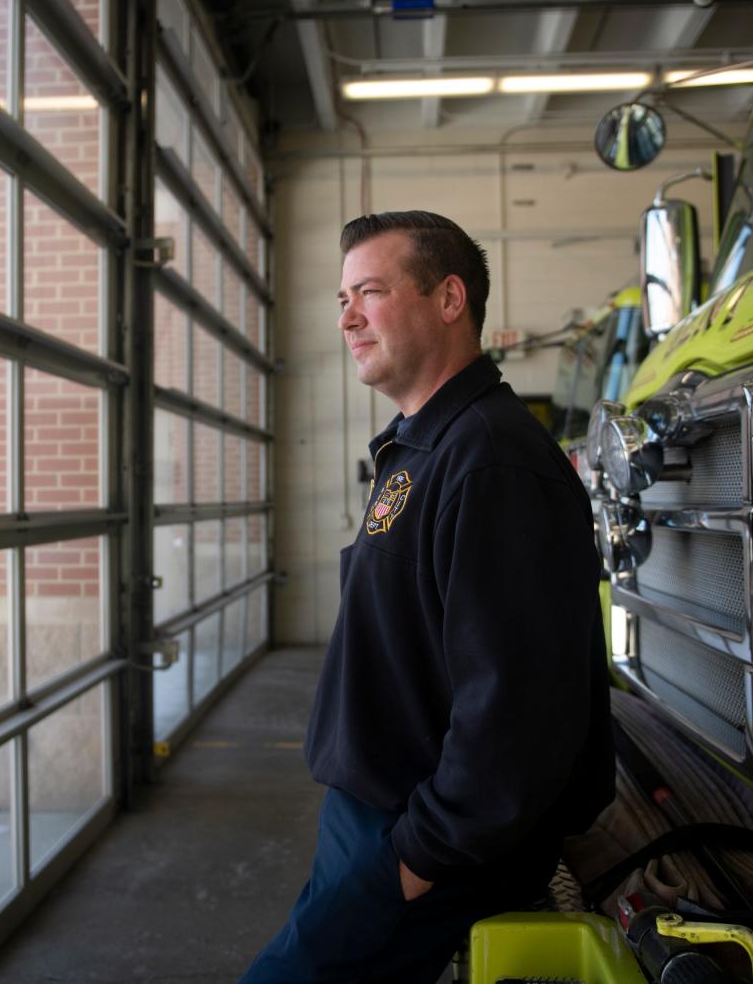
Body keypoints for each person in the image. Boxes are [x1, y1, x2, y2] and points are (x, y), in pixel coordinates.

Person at [239, 210, 614, 984]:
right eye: (342, 297)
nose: (346, 316)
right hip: (378, 816)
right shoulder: (424, 447)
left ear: (450, 299)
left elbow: (517, 711)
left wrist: (417, 859)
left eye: (370, 292)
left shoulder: (492, 461)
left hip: (421, 839)